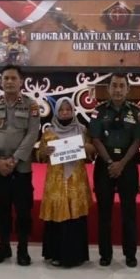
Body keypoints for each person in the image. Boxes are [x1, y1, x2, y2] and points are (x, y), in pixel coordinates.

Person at [0, 64, 40, 266]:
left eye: (13, 78)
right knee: (1, 209)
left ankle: (23, 249)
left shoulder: (31, 105)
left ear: (21, 81)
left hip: (21, 168)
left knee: (23, 210)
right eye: (5, 78)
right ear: (0, 81)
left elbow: (32, 134)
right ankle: (3, 246)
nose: (9, 82)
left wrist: (14, 160)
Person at [89, 73, 140, 268]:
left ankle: (130, 254)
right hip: (105, 165)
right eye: (114, 85)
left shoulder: (136, 112)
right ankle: (105, 254)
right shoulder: (98, 111)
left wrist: (121, 164)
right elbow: (96, 139)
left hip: (127, 166)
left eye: (122, 86)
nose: (118, 89)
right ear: (108, 88)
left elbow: (137, 140)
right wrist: (111, 162)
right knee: (104, 213)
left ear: (127, 89)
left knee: (129, 212)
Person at [36, 97, 94, 268]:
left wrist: (87, 148)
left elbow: (92, 152)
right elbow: (40, 155)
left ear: (73, 111)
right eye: (61, 110)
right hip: (56, 181)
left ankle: (76, 256)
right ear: (56, 112)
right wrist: (45, 151)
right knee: (57, 216)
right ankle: (56, 254)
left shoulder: (82, 130)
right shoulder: (49, 132)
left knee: (76, 217)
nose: (65, 113)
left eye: (68, 109)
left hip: (76, 180)